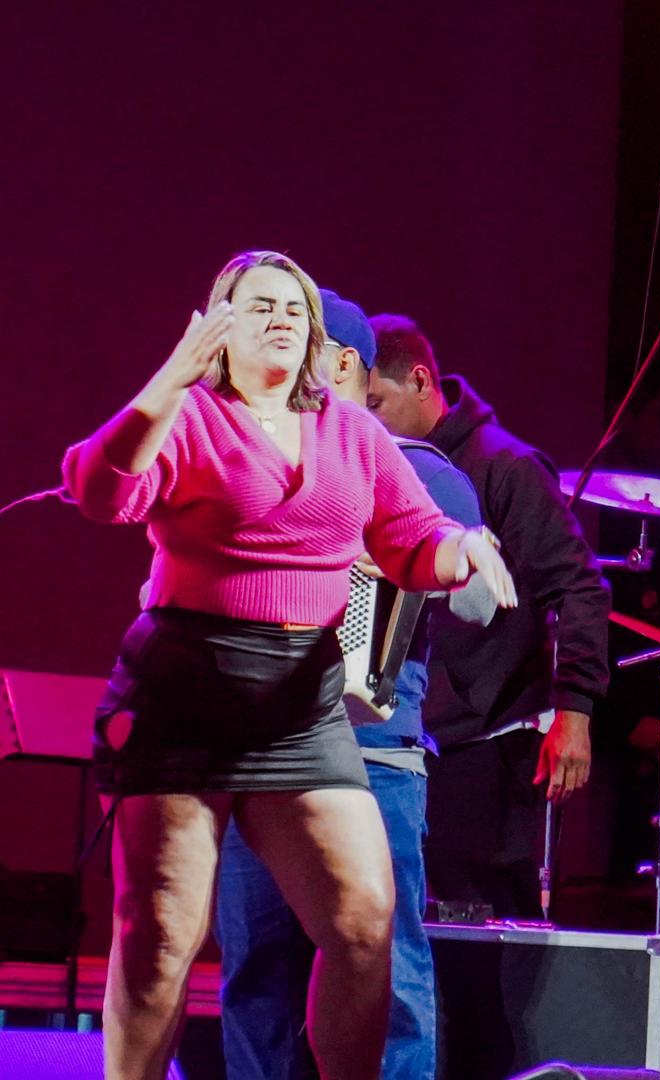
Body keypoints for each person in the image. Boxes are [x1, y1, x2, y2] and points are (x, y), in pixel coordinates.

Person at [62, 251, 515, 1080]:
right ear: (219, 325)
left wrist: (463, 551)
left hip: (301, 702)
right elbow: (102, 490)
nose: (280, 318)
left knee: (363, 920)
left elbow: (412, 537)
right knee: (163, 934)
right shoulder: (192, 415)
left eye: (294, 308)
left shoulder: (352, 431)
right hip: (187, 692)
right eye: (259, 305)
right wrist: (169, 381)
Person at [215, 289, 493, 1080]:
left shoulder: (420, 471)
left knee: (385, 970)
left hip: (371, 757)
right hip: (260, 756)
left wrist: (421, 560)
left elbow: (478, 605)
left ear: (340, 363)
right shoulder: (253, 458)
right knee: (255, 976)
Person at [359, 315, 609, 917]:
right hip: (407, 731)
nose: (367, 421)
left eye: (376, 404)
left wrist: (575, 711)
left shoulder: (505, 467)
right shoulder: (375, 464)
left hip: (487, 743)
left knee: (481, 924)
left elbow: (579, 586)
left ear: (421, 382)